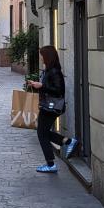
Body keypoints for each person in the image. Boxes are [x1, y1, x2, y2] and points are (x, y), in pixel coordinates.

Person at [27, 45, 78, 173]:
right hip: (47, 106)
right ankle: (67, 142)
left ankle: (51, 164)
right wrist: (36, 85)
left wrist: (42, 86)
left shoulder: (54, 71)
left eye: (42, 56)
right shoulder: (49, 70)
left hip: (51, 107)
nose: (41, 58)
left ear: (48, 56)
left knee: (41, 133)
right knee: (42, 132)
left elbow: (59, 90)